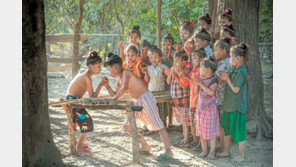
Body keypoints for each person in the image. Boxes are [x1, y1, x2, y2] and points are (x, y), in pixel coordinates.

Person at [103, 53, 173, 160]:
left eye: (109, 69)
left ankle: (168, 150)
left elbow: (124, 88)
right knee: (127, 126)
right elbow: (117, 95)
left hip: (145, 98)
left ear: (115, 67)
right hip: (136, 101)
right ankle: (145, 145)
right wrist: (107, 86)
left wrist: (114, 99)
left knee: (158, 124)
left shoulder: (126, 72)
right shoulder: (118, 80)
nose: (109, 72)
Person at [65, 51, 106, 153]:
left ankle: (78, 143)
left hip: (72, 100)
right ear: (91, 66)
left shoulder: (83, 72)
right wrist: (100, 85)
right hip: (73, 102)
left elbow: (92, 96)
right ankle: (79, 146)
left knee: (81, 122)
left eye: (101, 66)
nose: (100, 68)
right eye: (98, 66)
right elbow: (92, 97)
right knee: (87, 122)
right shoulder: (87, 77)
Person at [216, 43, 249, 162]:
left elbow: (236, 89)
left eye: (231, 57)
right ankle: (227, 151)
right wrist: (225, 78)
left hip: (237, 106)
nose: (230, 59)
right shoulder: (235, 70)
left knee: (239, 130)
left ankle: (241, 154)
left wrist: (227, 78)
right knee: (227, 128)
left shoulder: (241, 71)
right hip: (228, 105)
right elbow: (230, 85)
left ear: (238, 58)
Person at [195, 56, 220, 159]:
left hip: (210, 110)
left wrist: (200, 83)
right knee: (201, 131)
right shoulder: (203, 79)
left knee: (211, 132)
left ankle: (212, 152)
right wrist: (198, 83)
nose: (199, 69)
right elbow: (197, 92)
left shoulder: (214, 79)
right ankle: (204, 150)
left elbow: (210, 92)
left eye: (201, 67)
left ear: (208, 69)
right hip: (201, 109)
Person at [142, 46, 171, 126]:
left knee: (162, 109)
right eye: (151, 57)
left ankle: (163, 124)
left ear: (160, 57)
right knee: (152, 109)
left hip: (161, 91)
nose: (153, 60)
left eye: (155, 57)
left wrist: (164, 74)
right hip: (151, 91)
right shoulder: (148, 68)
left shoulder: (163, 67)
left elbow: (168, 79)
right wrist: (146, 74)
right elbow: (147, 81)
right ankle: (153, 125)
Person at [184, 48, 206, 150]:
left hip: (198, 101)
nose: (193, 61)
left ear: (202, 59)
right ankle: (195, 140)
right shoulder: (193, 70)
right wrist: (187, 76)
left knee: (199, 123)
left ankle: (201, 143)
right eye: (192, 58)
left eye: (195, 58)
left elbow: (198, 84)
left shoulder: (201, 71)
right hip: (192, 101)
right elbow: (192, 82)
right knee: (192, 122)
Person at [167, 50, 191, 147]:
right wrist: (170, 75)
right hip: (175, 98)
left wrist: (177, 77)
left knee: (185, 121)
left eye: (177, 60)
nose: (175, 63)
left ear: (184, 62)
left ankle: (186, 139)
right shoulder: (173, 69)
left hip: (183, 98)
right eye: (174, 60)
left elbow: (184, 86)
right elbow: (168, 82)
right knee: (180, 119)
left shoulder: (186, 71)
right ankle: (185, 137)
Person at [213, 37, 233, 153]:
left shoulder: (227, 63)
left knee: (225, 123)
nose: (214, 52)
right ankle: (221, 144)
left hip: (225, 97)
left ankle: (226, 147)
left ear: (224, 51)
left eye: (216, 50)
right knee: (220, 122)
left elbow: (227, 78)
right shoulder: (220, 62)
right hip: (218, 97)